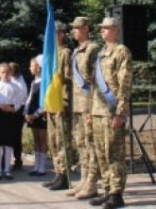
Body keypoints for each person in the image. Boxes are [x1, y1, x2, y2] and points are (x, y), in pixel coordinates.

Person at [89, 17, 133, 209]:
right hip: (98, 111)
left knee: (114, 153)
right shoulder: (100, 54)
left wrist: (120, 112)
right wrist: (91, 112)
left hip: (112, 110)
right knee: (101, 153)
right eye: (101, 29)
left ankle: (116, 193)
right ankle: (107, 189)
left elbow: (125, 83)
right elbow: (93, 85)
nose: (103, 31)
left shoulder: (121, 51)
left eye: (106, 28)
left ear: (116, 30)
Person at [68, 16, 100, 200]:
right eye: (73, 28)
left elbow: (96, 81)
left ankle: (92, 182)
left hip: (88, 103)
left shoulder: (92, 49)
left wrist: (91, 108)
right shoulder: (76, 51)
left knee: (90, 144)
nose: (74, 31)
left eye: (77, 28)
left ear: (86, 29)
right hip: (77, 104)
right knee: (81, 143)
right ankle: (84, 179)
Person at [43, 20, 73, 191]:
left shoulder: (65, 53)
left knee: (62, 141)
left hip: (61, 103)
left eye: (54, 33)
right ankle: (57, 172)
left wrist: (64, 102)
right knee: (53, 140)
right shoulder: (50, 54)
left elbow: (68, 80)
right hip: (51, 103)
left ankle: (64, 175)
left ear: (61, 34)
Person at [0, 63, 25, 180]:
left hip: (11, 115)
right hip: (0, 115)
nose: (5, 74)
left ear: (11, 73)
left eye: (7, 72)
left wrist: (13, 108)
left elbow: (19, 101)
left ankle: (7, 169)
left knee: (9, 144)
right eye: (3, 72)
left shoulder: (15, 87)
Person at [24, 56, 47, 177]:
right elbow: (30, 98)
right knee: (36, 140)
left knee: (42, 139)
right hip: (32, 113)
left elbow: (46, 101)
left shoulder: (45, 81)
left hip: (41, 113)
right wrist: (27, 112)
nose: (30, 68)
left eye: (32, 65)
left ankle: (42, 167)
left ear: (38, 67)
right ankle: (36, 166)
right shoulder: (34, 82)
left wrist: (36, 114)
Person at [9, 62, 28, 170]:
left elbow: (21, 98)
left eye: (10, 70)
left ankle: (18, 160)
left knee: (16, 137)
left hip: (17, 110)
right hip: (10, 109)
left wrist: (14, 109)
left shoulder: (21, 83)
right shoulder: (12, 80)